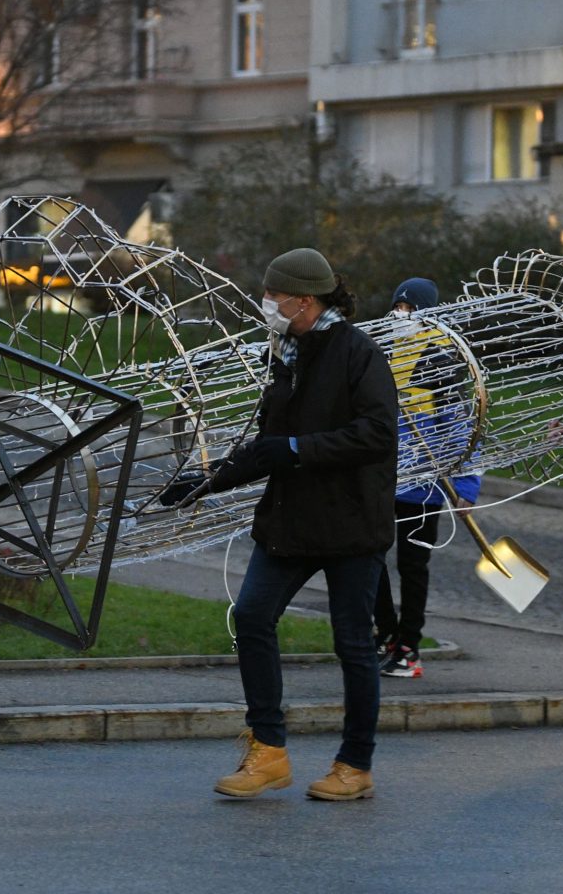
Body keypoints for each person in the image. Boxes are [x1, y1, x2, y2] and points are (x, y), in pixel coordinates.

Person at [159, 247, 399, 801]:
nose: (265, 303)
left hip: (351, 523)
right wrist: (203, 482)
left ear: (305, 300)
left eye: (273, 295)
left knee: (353, 644)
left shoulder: (358, 353)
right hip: (290, 520)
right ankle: (268, 751)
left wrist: (297, 448)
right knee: (251, 616)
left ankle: (355, 765)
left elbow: (377, 434)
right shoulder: (286, 354)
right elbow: (267, 448)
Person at [375, 277, 481, 679]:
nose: (401, 315)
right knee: (366, 555)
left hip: (423, 487)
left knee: (413, 566)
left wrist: (466, 487)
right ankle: (386, 630)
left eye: (409, 309)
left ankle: (408, 648)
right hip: (382, 479)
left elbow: (463, 430)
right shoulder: (382, 352)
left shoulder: (441, 360)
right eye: (397, 307)